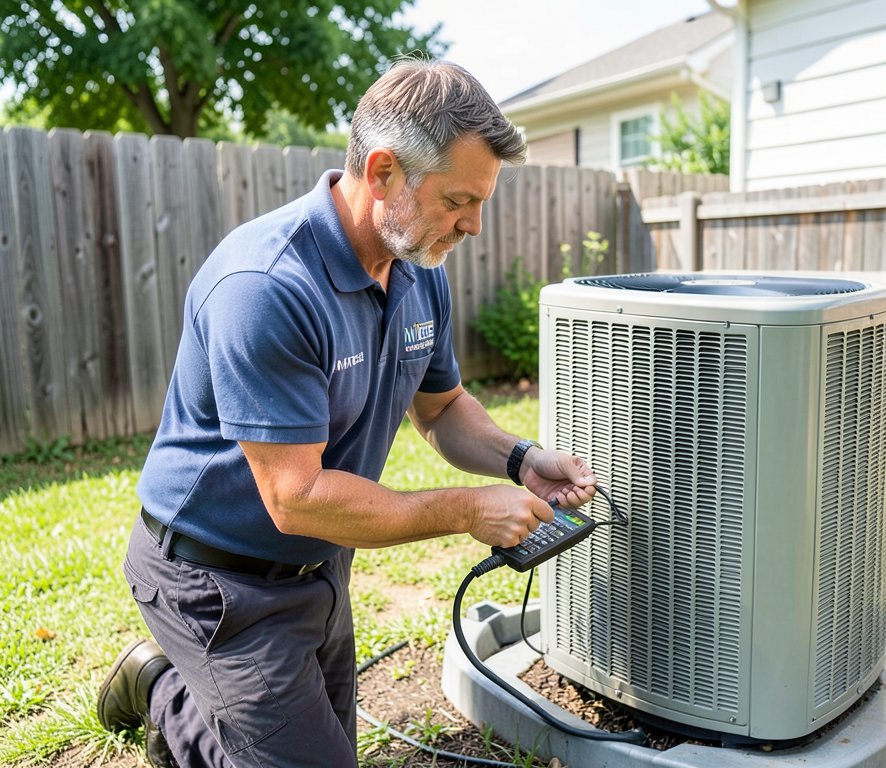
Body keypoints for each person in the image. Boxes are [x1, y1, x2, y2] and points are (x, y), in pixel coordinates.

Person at [95, 59, 598, 768]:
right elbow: (295, 498)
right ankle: (160, 689)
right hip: (217, 584)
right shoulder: (265, 286)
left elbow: (443, 407)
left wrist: (523, 461)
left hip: (321, 567)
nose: (474, 225)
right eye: (459, 199)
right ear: (385, 173)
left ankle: (177, 700)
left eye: (480, 203)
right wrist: (465, 509)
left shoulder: (418, 268)